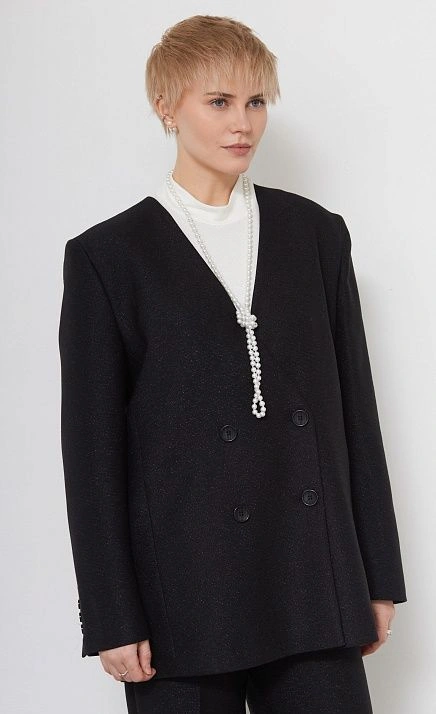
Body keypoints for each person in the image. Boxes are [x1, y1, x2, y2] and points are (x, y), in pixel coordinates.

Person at [58, 14, 407, 714]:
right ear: (166, 106)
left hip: (311, 575)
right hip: (182, 592)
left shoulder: (316, 234)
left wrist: (376, 576)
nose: (242, 123)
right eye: (218, 102)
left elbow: (356, 415)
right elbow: (92, 453)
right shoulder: (109, 256)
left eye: (256, 101)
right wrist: (112, 613)